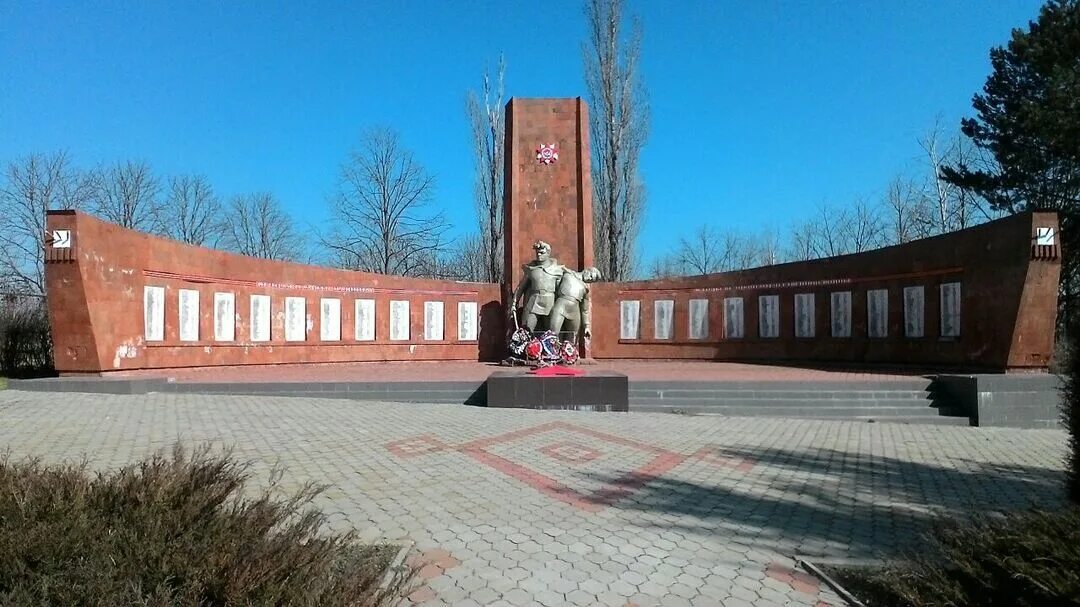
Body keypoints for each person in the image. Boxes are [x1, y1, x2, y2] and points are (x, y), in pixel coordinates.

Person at [509, 240, 566, 331]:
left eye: (542, 253)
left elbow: (561, 291)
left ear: (548, 253)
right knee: (527, 328)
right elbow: (521, 287)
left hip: (550, 301)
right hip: (534, 300)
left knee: (551, 332)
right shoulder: (531, 269)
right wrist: (514, 303)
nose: (539, 255)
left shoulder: (557, 270)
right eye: (537, 253)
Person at [548, 267, 601, 340]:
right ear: (586, 271)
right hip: (561, 305)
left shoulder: (585, 289)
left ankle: (568, 351)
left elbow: (584, 310)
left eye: (592, 280)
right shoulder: (567, 273)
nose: (589, 279)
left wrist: (586, 326)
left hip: (574, 312)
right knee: (553, 333)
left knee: (573, 337)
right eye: (591, 276)